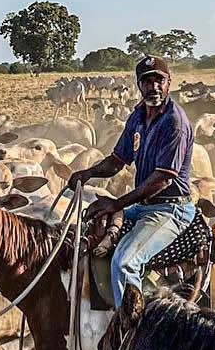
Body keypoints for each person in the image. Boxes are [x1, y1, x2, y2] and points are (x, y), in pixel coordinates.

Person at [63, 55, 196, 307]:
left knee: (124, 262)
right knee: (89, 228)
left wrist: (116, 204)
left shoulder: (174, 122)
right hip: (145, 206)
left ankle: (130, 331)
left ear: (169, 83)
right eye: (147, 81)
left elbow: (163, 180)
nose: (153, 87)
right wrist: (87, 173)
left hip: (170, 208)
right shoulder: (137, 117)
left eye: (159, 80)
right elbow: (117, 160)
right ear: (138, 84)